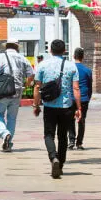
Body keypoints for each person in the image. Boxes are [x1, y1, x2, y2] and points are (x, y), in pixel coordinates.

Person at [33, 39, 80, 179]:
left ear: (50, 50)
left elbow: (37, 87)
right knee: (63, 136)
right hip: (66, 106)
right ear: (64, 51)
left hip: (49, 106)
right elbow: (76, 88)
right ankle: (61, 164)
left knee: (48, 134)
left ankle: (53, 158)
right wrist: (79, 108)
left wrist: (36, 105)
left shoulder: (42, 65)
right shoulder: (71, 66)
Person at [0, 41, 34, 151]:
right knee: (12, 117)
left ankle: (4, 134)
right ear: (17, 47)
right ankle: (8, 142)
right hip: (17, 91)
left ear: (6, 47)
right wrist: (26, 85)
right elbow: (31, 74)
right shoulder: (22, 58)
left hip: (3, 90)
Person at [68, 48, 93, 150]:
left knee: (70, 120)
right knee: (81, 120)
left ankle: (71, 140)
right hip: (83, 98)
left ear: (74, 56)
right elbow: (89, 86)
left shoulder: (69, 69)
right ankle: (79, 143)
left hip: (71, 98)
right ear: (83, 57)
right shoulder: (87, 70)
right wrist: (88, 97)